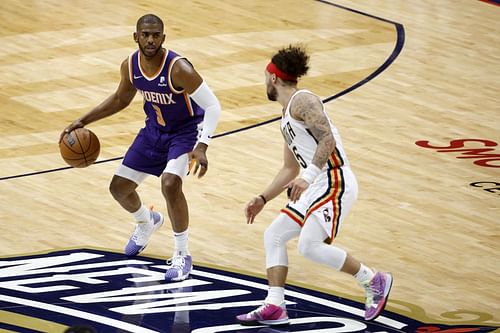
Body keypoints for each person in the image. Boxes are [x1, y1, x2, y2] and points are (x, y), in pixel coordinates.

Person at [236, 45, 392, 326]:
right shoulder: (286, 114)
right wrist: (262, 197)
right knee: (274, 235)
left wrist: (307, 178)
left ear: (273, 78)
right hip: (315, 182)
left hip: (334, 179)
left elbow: (328, 140)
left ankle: (374, 280)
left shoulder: (302, 101)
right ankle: (275, 306)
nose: (264, 82)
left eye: (264, 77)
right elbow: (289, 168)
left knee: (309, 246)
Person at [60, 14, 221, 282]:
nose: (150, 39)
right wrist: (83, 120)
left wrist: (202, 146)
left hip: (184, 132)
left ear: (163, 38)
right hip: (153, 131)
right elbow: (121, 98)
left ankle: (182, 254)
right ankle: (147, 221)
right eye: (145, 34)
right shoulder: (131, 65)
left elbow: (213, 106)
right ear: (136, 37)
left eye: (156, 35)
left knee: (170, 184)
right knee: (118, 188)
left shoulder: (178, 68)